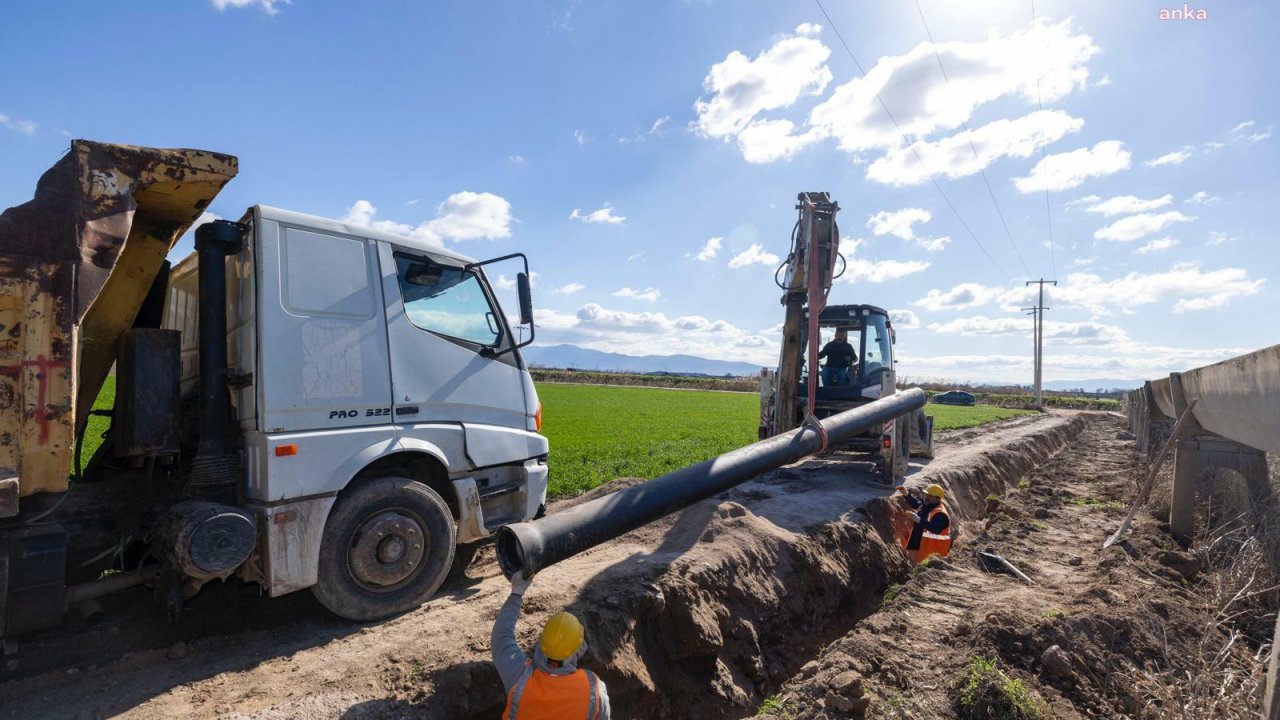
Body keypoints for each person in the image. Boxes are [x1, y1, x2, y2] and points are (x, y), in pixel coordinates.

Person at [491, 571, 611, 719]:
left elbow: (501, 636)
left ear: (542, 642)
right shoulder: (595, 690)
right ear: (579, 650)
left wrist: (517, 592)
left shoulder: (519, 676)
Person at [896, 483, 952, 563]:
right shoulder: (928, 506)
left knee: (925, 571)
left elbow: (935, 528)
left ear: (937, 499)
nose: (926, 497)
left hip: (934, 553)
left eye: (930, 496)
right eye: (926, 495)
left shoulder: (940, 514)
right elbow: (917, 504)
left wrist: (918, 519)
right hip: (922, 547)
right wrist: (906, 494)